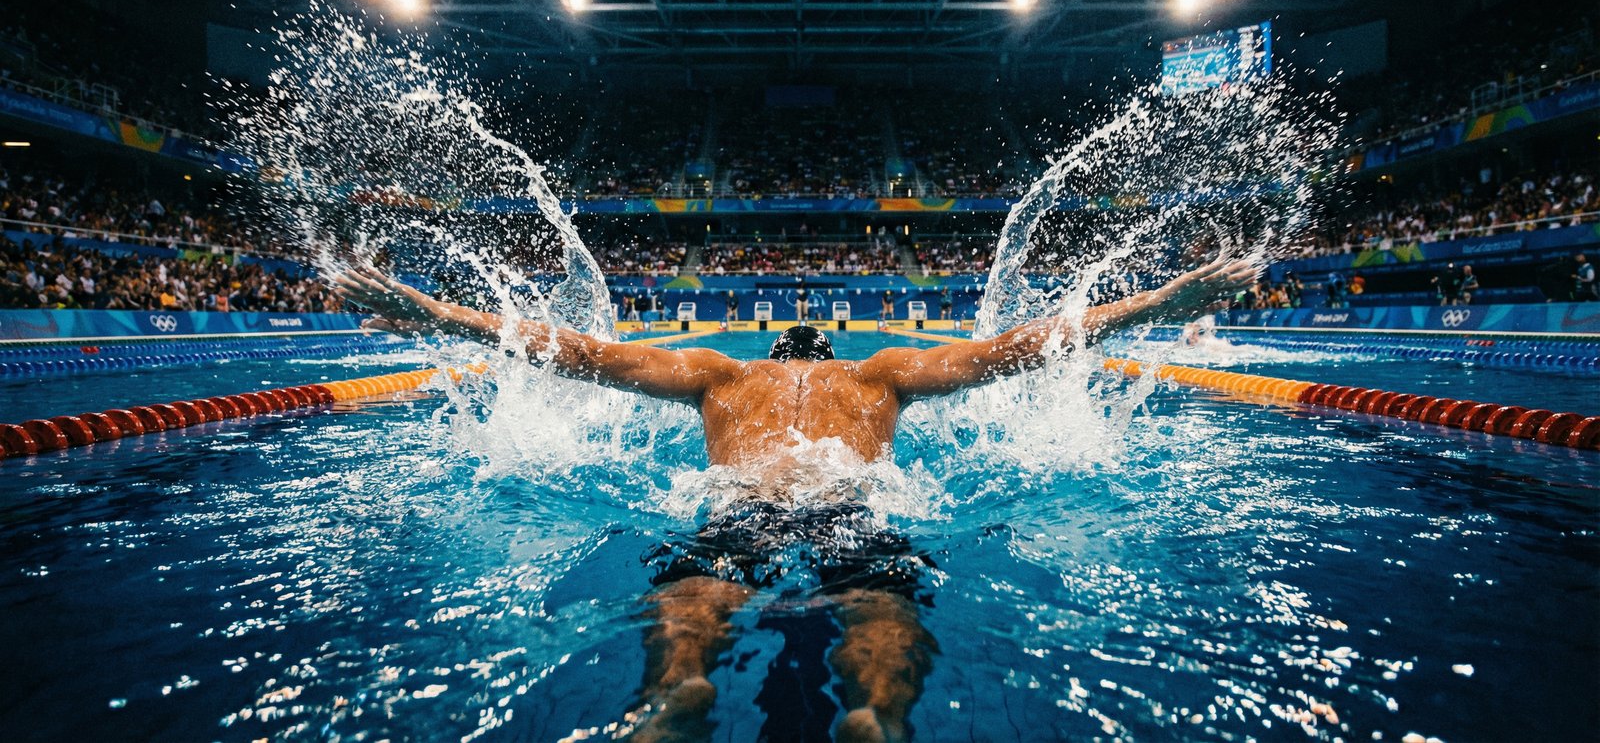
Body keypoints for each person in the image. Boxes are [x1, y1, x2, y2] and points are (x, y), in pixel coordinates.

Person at [333, 257, 1257, 743]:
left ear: (777, 352)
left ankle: (677, 691)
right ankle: (878, 713)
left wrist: (439, 316)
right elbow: (1016, 346)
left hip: (742, 505)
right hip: (853, 506)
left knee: (693, 598)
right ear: (827, 352)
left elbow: (581, 351)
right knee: (881, 601)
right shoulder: (881, 373)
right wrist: (1165, 299)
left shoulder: (719, 373)